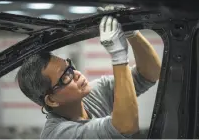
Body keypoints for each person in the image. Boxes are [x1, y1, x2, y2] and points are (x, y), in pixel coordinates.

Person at [16, 7, 161, 139]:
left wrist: (131, 32)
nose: (77, 74)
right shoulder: (58, 134)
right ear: (52, 100)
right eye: (66, 77)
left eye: (70, 68)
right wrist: (118, 56)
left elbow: (150, 74)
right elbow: (126, 127)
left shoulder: (94, 94)